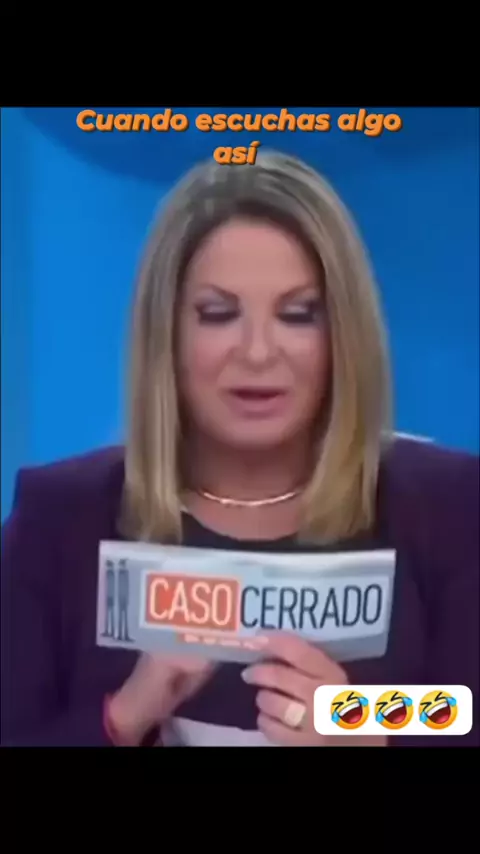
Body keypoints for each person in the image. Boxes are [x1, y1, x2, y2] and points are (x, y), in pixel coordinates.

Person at [1, 151, 478, 748]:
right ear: (167, 335)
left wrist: (359, 720)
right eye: (218, 314)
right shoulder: (59, 518)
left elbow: (461, 713)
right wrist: (120, 718)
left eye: (298, 316)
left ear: (343, 336)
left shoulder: (448, 507)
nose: (257, 352)